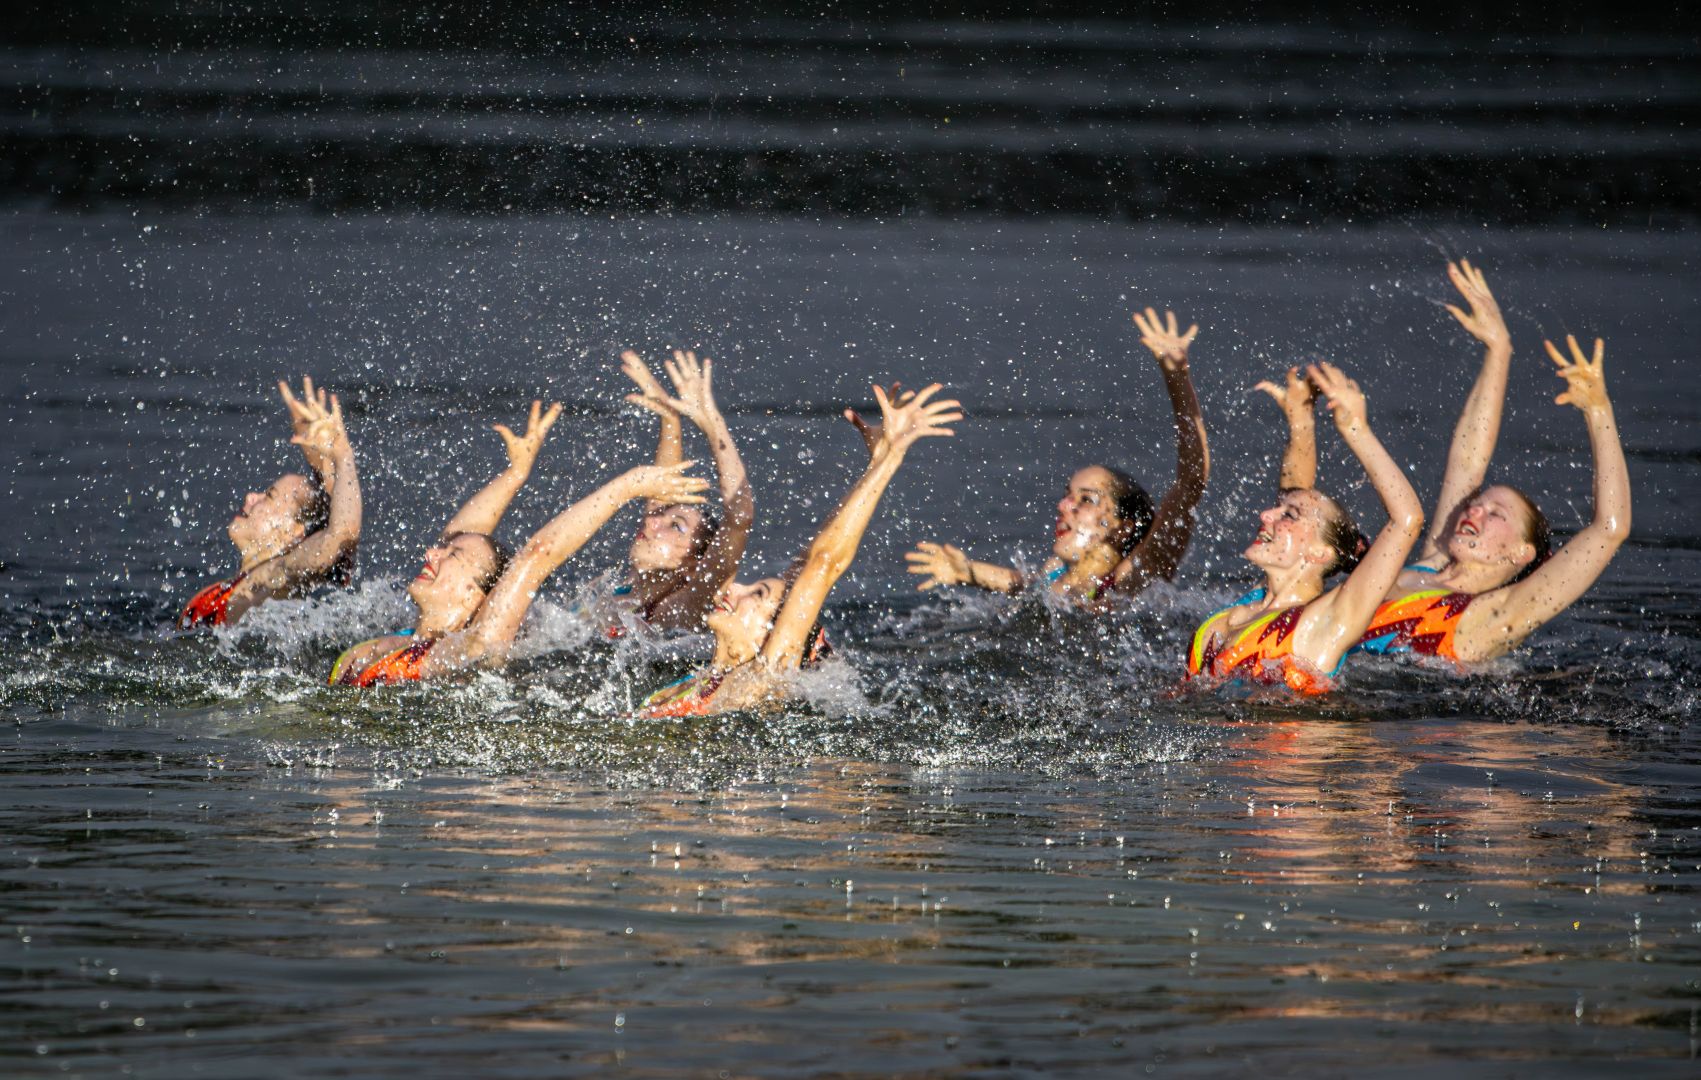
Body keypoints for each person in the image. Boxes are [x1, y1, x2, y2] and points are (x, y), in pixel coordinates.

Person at [1262, 261, 1631, 664]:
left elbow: (1609, 530)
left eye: (1496, 514)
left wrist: (1599, 411)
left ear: (1521, 553)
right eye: (1479, 503)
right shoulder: (1432, 566)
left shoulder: (1495, 617)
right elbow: (1467, 462)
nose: (1475, 508)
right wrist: (1498, 350)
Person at [330, 400, 709, 685]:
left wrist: (628, 486)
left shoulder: (469, 649)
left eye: (453, 556)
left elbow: (537, 556)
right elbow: (458, 536)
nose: (433, 552)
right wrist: (515, 475)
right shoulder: (406, 632)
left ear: (475, 597)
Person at [639, 383, 962, 717]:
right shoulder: (706, 679)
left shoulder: (761, 680)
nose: (734, 587)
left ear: (771, 635)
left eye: (758, 594)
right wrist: (874, 462)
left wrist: (891, 456)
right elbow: (807, 562)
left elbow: (823, 565)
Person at [901, 307, 1209, 607]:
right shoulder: (1057, 573)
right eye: (1067, 497)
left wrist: (1176, 378)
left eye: (1086, 500)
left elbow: (1191, 481)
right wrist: (966, 572)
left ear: (1122, 527)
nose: (1064, 507)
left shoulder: (1135, 576)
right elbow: (1023, 584)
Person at [1187, 362, 1423, 695]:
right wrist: (1301, 423)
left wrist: (1357, 429)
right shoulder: (1250, 606)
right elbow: (1295, 490)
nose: (1266, 514)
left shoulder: (1327, 622)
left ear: (1319, 552)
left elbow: (1406, 520)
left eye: (1289, 515)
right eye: (1277, 509)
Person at [178, 378, 361, 629]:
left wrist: (342, 454)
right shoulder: (242, 583)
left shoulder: (275, 577)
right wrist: (323, 460)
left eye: (270, 496)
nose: (251, 496)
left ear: (293, 533)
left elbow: (340, 535)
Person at [614, 348, 755, 631]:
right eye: (661, 516)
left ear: (692, 566)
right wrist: (669, 418)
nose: (651, 521)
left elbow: (739, 519)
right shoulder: (630, 589)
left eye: (675, 526)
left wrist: (713, 423)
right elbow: (663, 490)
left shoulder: (677, 612)